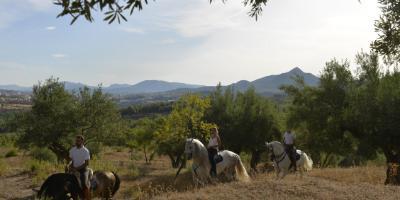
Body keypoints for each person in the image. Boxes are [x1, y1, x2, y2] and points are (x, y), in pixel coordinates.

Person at [69, 135, 91, 200]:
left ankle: (86, 198)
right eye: (76, 141)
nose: (77, 142)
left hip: (83, 170)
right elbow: (72, 160)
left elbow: (87, 163)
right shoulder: (72, 150)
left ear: (82, 141)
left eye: (78, 141)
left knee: (84, 184)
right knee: (65, 181)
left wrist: (77, 168)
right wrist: (70, 166)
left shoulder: (85, 151)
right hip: (73, 169)